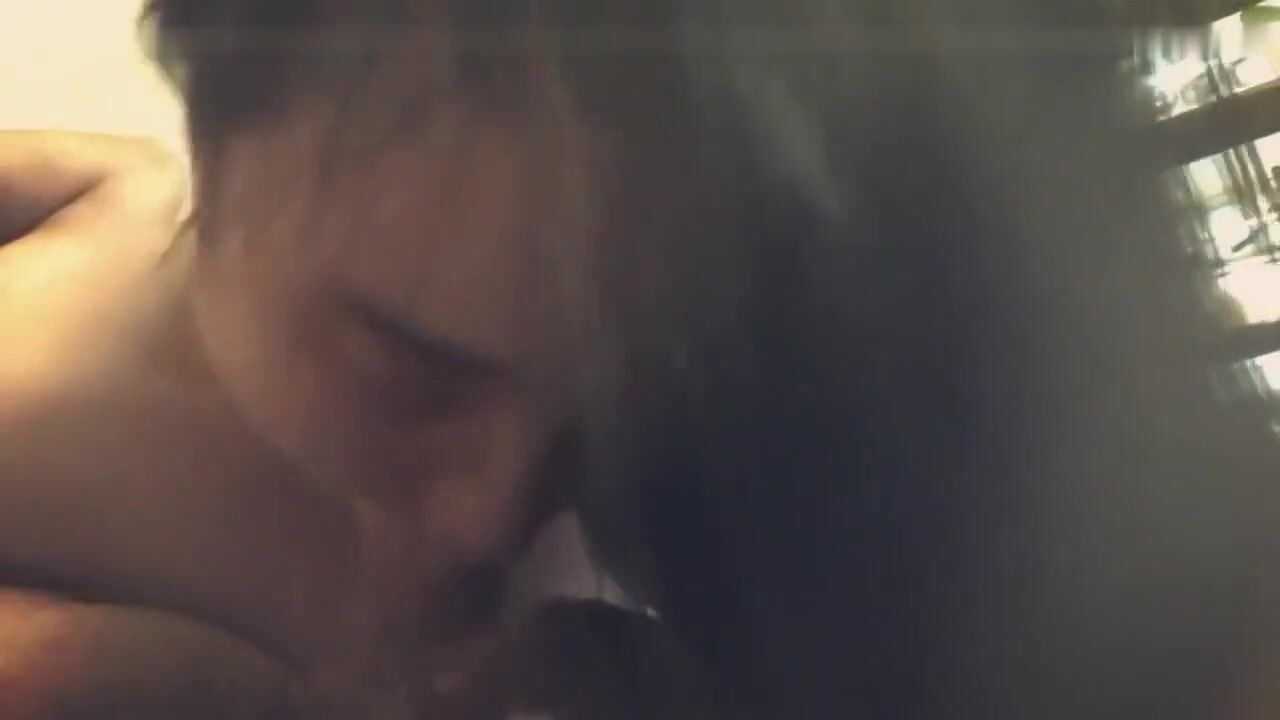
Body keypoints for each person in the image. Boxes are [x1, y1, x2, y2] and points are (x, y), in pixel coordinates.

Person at [6, 1, 1280, 719]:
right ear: (219, 132)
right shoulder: (121, 217)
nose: (494, 516)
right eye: (404, 365)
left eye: (612, 417)